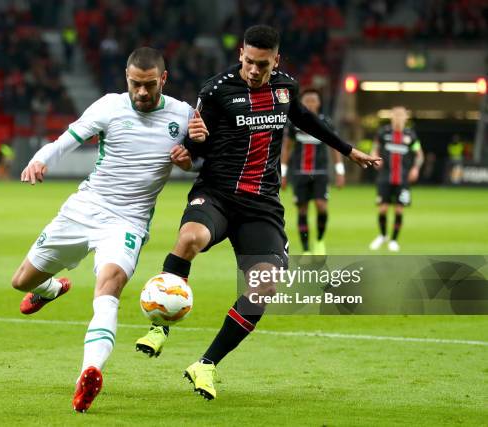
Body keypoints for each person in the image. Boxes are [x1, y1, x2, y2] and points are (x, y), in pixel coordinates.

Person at [135, 25, 380, 400]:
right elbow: (196, 145)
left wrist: (348, 151)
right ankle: (159, 325)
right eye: (248, 61)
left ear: (275, 60)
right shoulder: (216, 91)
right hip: (217, 194)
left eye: (262, 64)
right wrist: (190, 150)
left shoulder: (284, 88)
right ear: (241, 56)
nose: (253, 69)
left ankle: (206, 364)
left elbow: (307, 120)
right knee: (190, 238)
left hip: (261, 205)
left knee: (265, 287)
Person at [10, 47, 208, 413]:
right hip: (85, 208)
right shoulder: (109, 106)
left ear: (163, 80)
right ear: (126, 78)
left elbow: (205, 162)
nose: (142, 93)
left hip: (128, 221)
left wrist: (190, 162)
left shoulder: (183, 116)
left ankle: (89, 373)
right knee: (21, 281)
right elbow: (66, 141)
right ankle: (51, 289)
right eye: (135, 84)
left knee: (109, 285)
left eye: (149, 85)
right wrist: (39, 160)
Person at [280, 89, 345, 255]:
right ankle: (306, 249)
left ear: (318, 103)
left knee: (321, 206)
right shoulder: (294, 124)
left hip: (320, 172)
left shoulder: (326, 123)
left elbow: (336, 147)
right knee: (302, 210)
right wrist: (284, 173)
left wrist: (339, 171)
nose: (310, 103)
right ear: (302, 103)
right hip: (300, 173)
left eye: (313, 100)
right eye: (306, 100)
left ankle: (319, 240)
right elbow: (286, 148)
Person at [369, 106, 423, 252]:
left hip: (403, 179)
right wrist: (375, 158)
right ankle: (382, 235)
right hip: (385, 177)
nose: (399, 118)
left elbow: (419, 154)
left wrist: (415, 168)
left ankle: (393, 240)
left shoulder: (410, 135)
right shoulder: (383, 132)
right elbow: (375, 148)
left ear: (406, 117)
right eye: (396, 115)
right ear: (391, 116)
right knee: (383, 209)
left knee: (399, 210)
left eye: (402, 115)